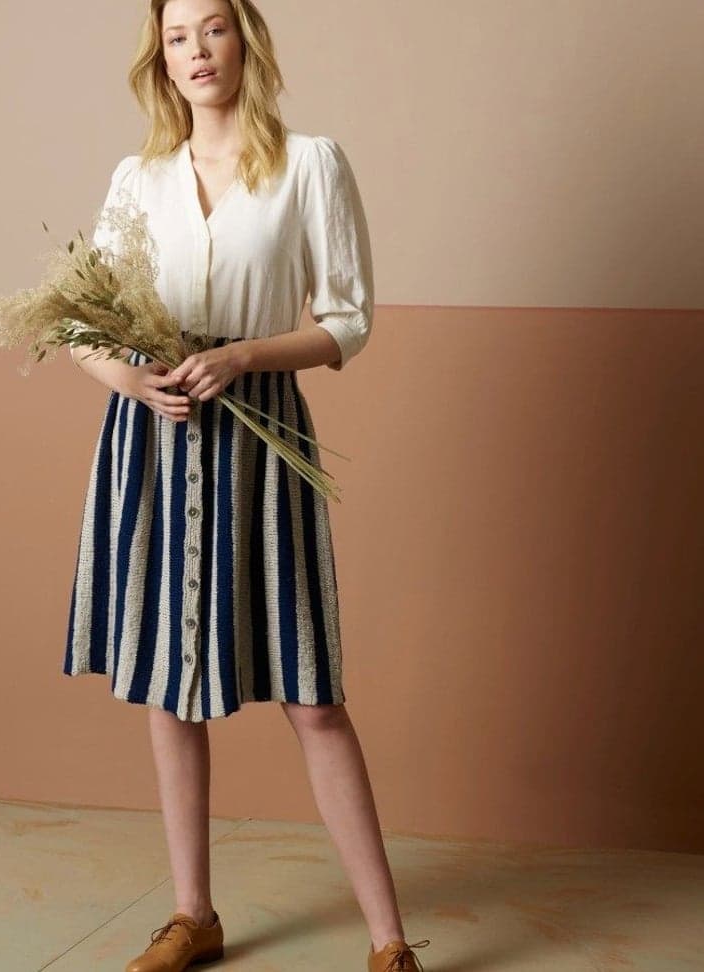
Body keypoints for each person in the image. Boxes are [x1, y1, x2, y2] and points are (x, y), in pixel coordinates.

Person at [62, 1, 430, 970]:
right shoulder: (137, 179)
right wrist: (128, 380)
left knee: (311, 692)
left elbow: (348, 321)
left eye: (214, 28)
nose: (197, 51)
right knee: (167, 687)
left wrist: (245, 356)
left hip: (261, 437)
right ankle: (194, 916)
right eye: (177, 36)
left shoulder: (311, 164)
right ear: (161, 58)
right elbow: (83, 324)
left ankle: (389, 940)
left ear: (246, 40)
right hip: (154, 438)